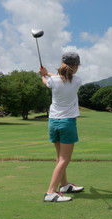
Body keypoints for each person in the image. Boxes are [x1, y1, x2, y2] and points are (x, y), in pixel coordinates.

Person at [39, 52, 84, 202]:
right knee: (65, 159)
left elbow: (47, 82)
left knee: (59, 157)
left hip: (53, 122)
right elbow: (63, 78)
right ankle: (51, 192)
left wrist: (43, 75)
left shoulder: (53, 81)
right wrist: (47, 74)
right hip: (67, 123)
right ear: (76, 66)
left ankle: (64, 185)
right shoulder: (77, 81)